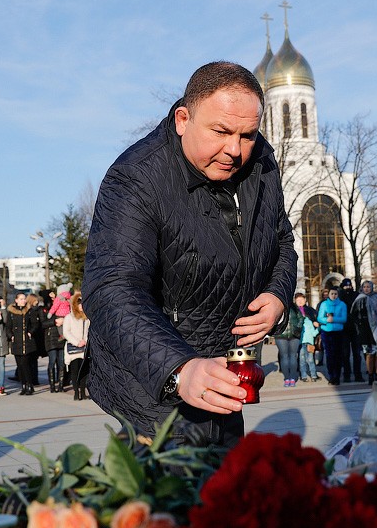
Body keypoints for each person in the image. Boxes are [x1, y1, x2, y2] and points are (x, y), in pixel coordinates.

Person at [82, 61, 296, 446]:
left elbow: (282, 242)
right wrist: (179, 368)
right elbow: (112, 289)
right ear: (183, 119)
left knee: (222, 493)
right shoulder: (136, 177)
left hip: (225, 370)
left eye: (247, 135)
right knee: (169, 497)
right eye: (220, 131)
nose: (234, 150)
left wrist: (278, 295)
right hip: (154, 381)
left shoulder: (261, 161)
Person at [351, 280, 377, 384]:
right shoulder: (359, 298)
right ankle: (370, 374)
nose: (367, 288)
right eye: (365, 287)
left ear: (372, 287)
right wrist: (358, 325)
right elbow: (353, 314)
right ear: (362, 288)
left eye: (369, 286)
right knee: (369, 353)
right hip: (365, 328)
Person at [6, 292, 39, 395]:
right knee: (19, 365)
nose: (23, 300)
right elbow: (8, 327)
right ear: (16, 300)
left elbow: (35, 324)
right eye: (21, 299)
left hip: (27, 341)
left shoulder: (29, 311)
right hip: (16, 341)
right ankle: (23, 385)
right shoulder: (11, 312)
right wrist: (10, 335)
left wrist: (30, 332)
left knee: (25, 364)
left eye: (24, 299)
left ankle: (30, 385)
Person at [62, 292, 90, 400]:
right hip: (73, 349)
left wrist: (85, 341)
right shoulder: (69, 317)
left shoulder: (86, 318)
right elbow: (66, 332)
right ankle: (76, 391)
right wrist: (77, 342)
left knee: (83, 372)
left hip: (84, 348)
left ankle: (83, 391)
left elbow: (88, 332)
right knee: (74, 371)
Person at [318, 288, 348, 385]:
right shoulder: (324, 304)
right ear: (329, 294)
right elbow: (319, 318)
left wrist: (333, 319)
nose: (334, 296)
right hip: (326, 332)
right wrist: (327, 320)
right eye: (332, 294)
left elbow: (344, 318)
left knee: (338, 355)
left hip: (338, 332)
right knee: (329, 355)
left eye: (335, 294)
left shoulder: (342, 304)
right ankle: (331, 376)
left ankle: (337, 376)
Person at [275, 295, 304, 388]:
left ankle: (291, 378)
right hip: (281, 335)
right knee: (286, 356)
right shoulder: (277, 307)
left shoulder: (293, 307)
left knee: (291, 356)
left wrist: (297, 328)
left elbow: (301, 318)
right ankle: (288, 378)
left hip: (293, 335)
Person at [338, 279, 363, 383]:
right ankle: (347, 375)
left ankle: (358, 374)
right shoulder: (340, 296)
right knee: (345, 354)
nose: (348, 288)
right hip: (344, 329)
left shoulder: (356, 295)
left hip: (354, 328)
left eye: (349, 286)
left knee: (357, 354)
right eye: (346, 286)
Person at [294, 292, 319, 382]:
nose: (300, 301)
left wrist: (316, 325)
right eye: (298, 300)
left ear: (305, 300)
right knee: (301, 358)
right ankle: (303, 375)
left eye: (302, 299)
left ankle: (313, 374)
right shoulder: (294, 310)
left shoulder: (310, 310)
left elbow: (315, 319)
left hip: (309, 339)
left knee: (310, 358)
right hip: (299, 338)